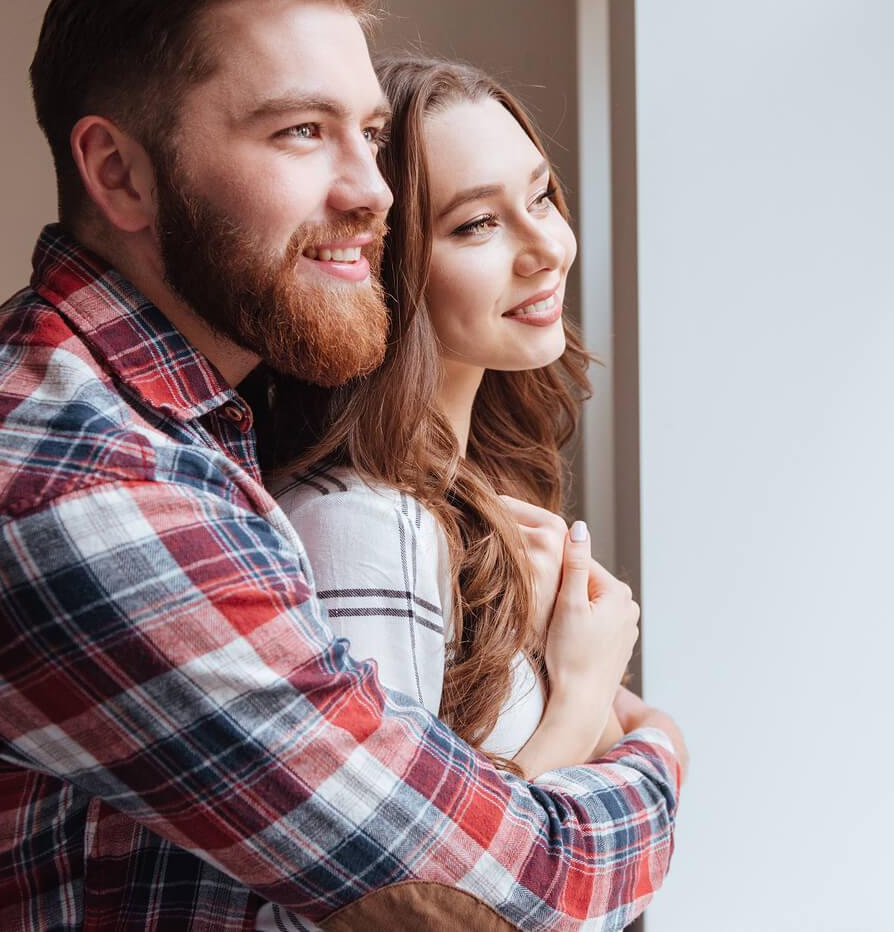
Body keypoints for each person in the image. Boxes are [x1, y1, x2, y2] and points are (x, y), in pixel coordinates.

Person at [0, 0, 684, 930]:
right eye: (301, 132)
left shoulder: (115, 402)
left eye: (368, 133)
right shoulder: (86, 498)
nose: (374, 192)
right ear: (118, 174)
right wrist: (652, 744)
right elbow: (496, 891)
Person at [250, 58, 638, 930]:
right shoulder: (360, 522)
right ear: (379, 265)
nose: (548, 248)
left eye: (540, 199)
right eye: (477, 226)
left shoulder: (469, 497)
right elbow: (405, 906)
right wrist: (584, 703)